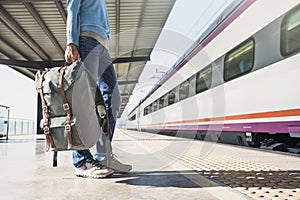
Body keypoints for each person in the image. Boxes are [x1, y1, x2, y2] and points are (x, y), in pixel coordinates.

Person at [64, 0, 132, 179]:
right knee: (83, 100)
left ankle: (104, 156)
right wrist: (72, 42)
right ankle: (81, 161)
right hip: (86, 41)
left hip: (102, 46)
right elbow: (72, 8)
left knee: (114, 97)